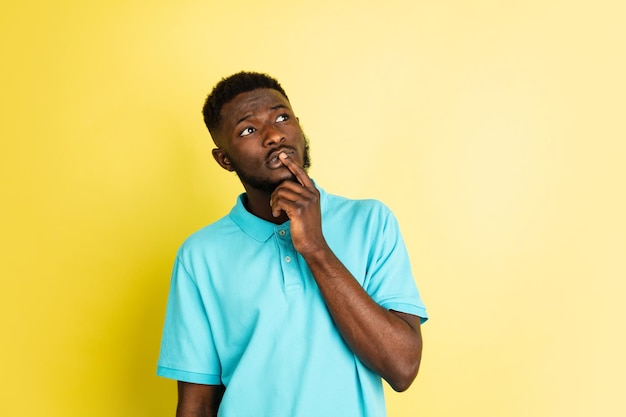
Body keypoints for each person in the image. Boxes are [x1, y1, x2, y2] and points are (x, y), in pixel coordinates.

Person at [157, 71, 428, 417]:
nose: (273, 136)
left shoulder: (370, 221)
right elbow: (197, 404)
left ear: (299, 126)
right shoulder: (199, 256)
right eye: (248, 130)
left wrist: (316, 248)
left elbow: (402, 367)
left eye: (282, 117)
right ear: (224, 159)